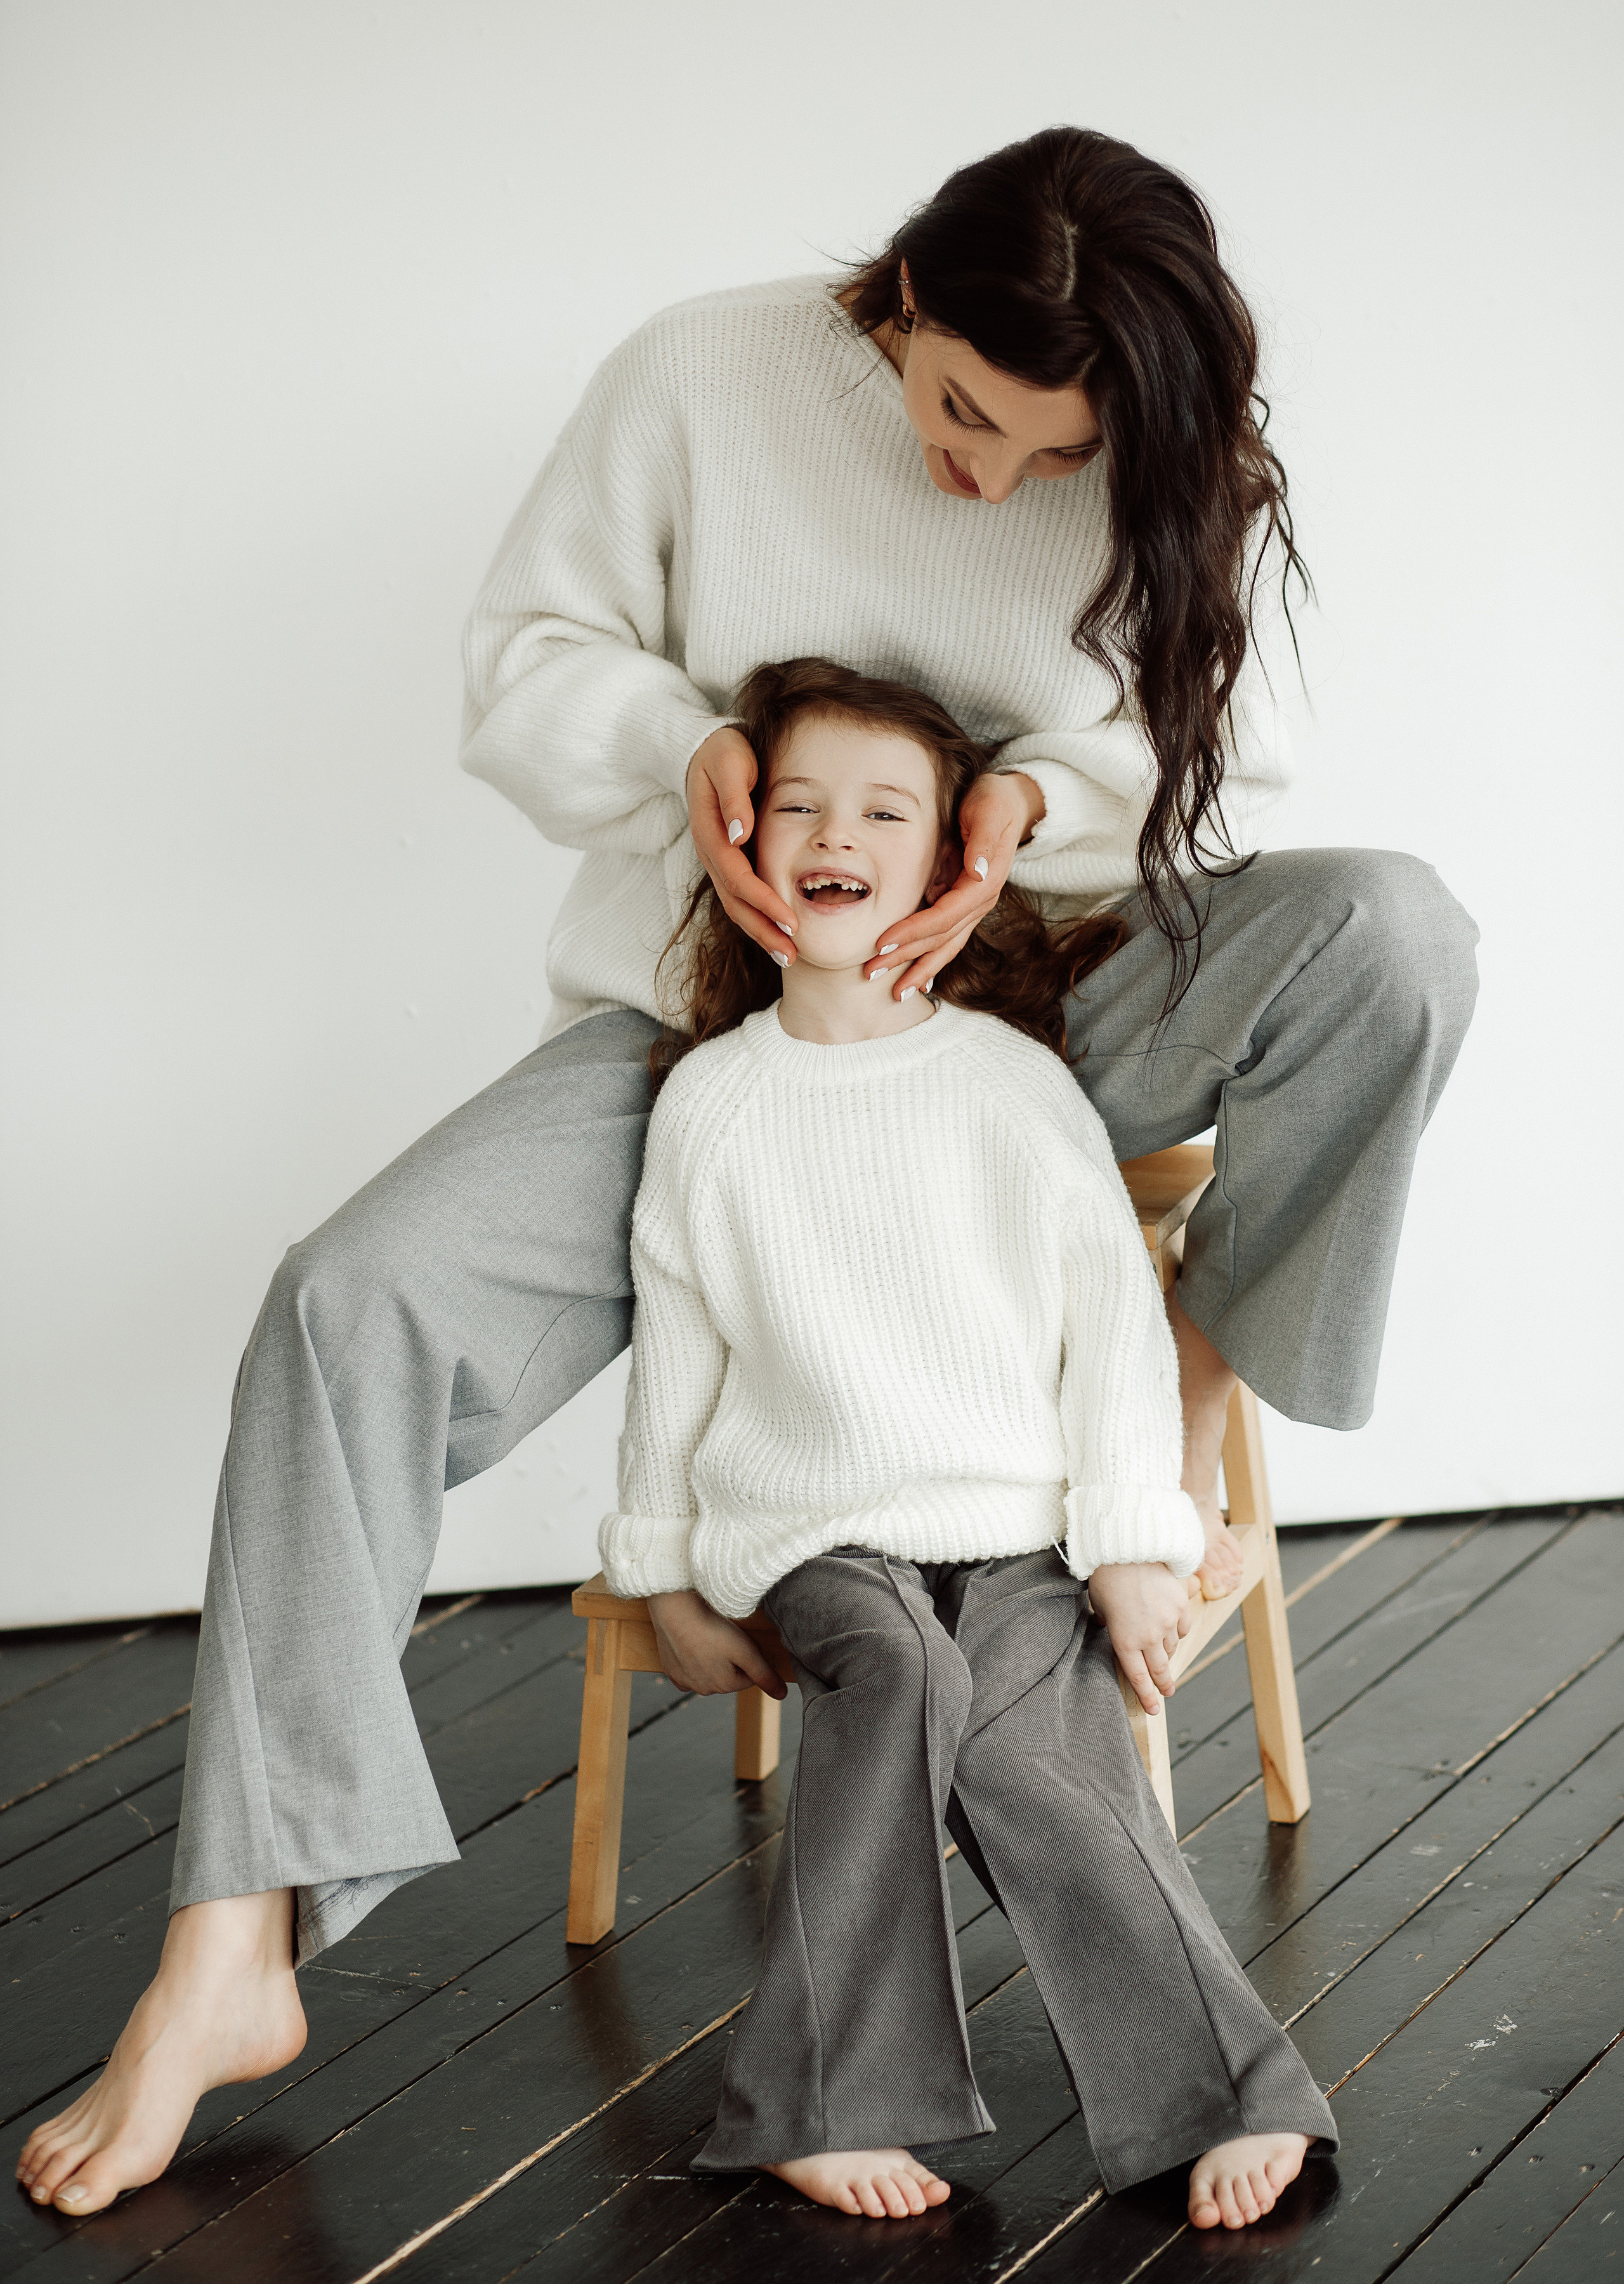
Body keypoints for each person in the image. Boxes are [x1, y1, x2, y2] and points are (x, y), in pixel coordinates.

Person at [17, 125, 1476, 2219]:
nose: (985, 476)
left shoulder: (1164, 458)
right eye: (962, 411)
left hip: (1050, 980)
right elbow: (523, 664)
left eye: (1043, 458)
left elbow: (1226, 748)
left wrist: (1017, 813)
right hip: (719, 1009)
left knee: (1397, 935)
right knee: (350, 1300)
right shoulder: (703, 376)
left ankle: (1179, 1406)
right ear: (900, 298)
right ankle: (233, 1944)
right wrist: (679, 748)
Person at [616, 658, 1337, 2231]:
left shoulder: (1009, 1089)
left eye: (883, 809)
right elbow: (676, 1352)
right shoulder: (714, 1107)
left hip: (1013, 1519)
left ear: (952, 863)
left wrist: (1133, 1540)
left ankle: (1222, 2093)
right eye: (798, 803)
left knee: (1031, 1734)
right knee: (899, 1671)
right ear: (742, 847)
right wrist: (661, 1571)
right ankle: (817, 2098)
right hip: (812, 1528)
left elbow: (1106, 1334)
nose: (834, 830)